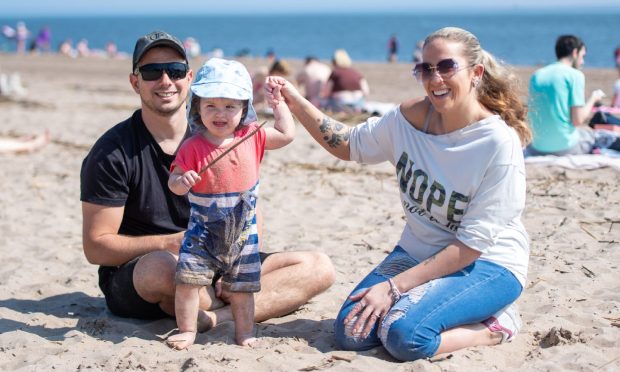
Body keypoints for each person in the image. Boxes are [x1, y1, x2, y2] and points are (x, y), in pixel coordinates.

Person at [265, 26, 530, 361]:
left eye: (447, 67)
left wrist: (394, 288)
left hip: (488, 263)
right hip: (419, 252)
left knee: (405, 336)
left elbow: (470, 245)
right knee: (351, 331)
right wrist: (295, 99)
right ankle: (433, 301)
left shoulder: (496, 143)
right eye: (425, 69)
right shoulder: (407, 120)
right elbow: (348, 144)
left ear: (476, 72)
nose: (436, 79)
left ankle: (495, 327)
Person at [80, 30, 334, 336]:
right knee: (164, 267)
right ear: (135, 82)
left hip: (221, 255)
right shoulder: (113, 151)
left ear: (189, 79)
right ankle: (230, 304)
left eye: (174, 71)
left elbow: (249, 206)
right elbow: (96, 247)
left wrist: (236, 263)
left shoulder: (224, 134)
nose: (165, 81)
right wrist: (170, 242)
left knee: (319, 267)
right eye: (151, 72)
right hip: (147, 269)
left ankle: (218, 316)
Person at [165, 58, 295, 349]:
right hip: (202, 235)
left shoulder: (252, 136)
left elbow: (286, 134)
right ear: (197, 108)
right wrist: (181, 181)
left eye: (230, 106)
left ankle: (245, 333)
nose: (220, 113)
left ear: (244, 109)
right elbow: (173, 183)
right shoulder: (192, 146)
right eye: (211, 105)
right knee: (187, 283)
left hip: (243, 236)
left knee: (243, 290)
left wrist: (278, 104)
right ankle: (187, 330)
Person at [527, 35, 607, 155]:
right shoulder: (575, 75)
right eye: (582, 56)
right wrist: (593, 98)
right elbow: (578, 120)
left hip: (537, 147)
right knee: (594, 137)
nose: (583, 61)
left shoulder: (536, 75)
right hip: (565, 148)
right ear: (575, 52)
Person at [324, 49, 369, 113]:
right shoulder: (356, 73)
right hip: (358, 103)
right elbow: (366, 91)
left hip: (341, 104)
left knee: (326, 101)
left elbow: (326, 93)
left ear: (334, 62)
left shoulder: (335, 73)